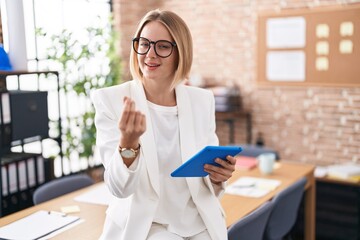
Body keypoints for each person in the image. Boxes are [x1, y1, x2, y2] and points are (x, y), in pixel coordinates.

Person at [91, 9, 236, 240]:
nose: (150, 54)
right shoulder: (111, 100)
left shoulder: (201, 100)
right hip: (146, 225)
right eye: (144, 43)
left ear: (181, 52)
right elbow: (119, 188)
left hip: (197, 220)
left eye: (163, 46)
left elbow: (204, 179)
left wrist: (218, 176)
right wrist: (128, 145)